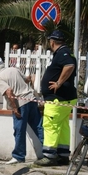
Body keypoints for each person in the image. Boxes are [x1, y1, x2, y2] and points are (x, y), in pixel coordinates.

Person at [34, 30, 77, 166]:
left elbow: (69, 66)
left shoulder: (63, 53)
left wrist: (59, 82)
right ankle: (63, 154)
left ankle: (49, 155)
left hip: (57, 99)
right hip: (65, 98)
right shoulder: (64, 52)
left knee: (50, 125)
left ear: (52, 42)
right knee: (63, 126)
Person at [0, 56, 43, 164]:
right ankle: (49, 152)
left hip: (21, 103)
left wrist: (14, 108)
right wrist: (32, 79)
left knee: (19, 130)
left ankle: (19, 156)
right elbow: (27, 79)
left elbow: (9, 91)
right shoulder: (14, 69)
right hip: (31, 99)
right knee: (38, 126)